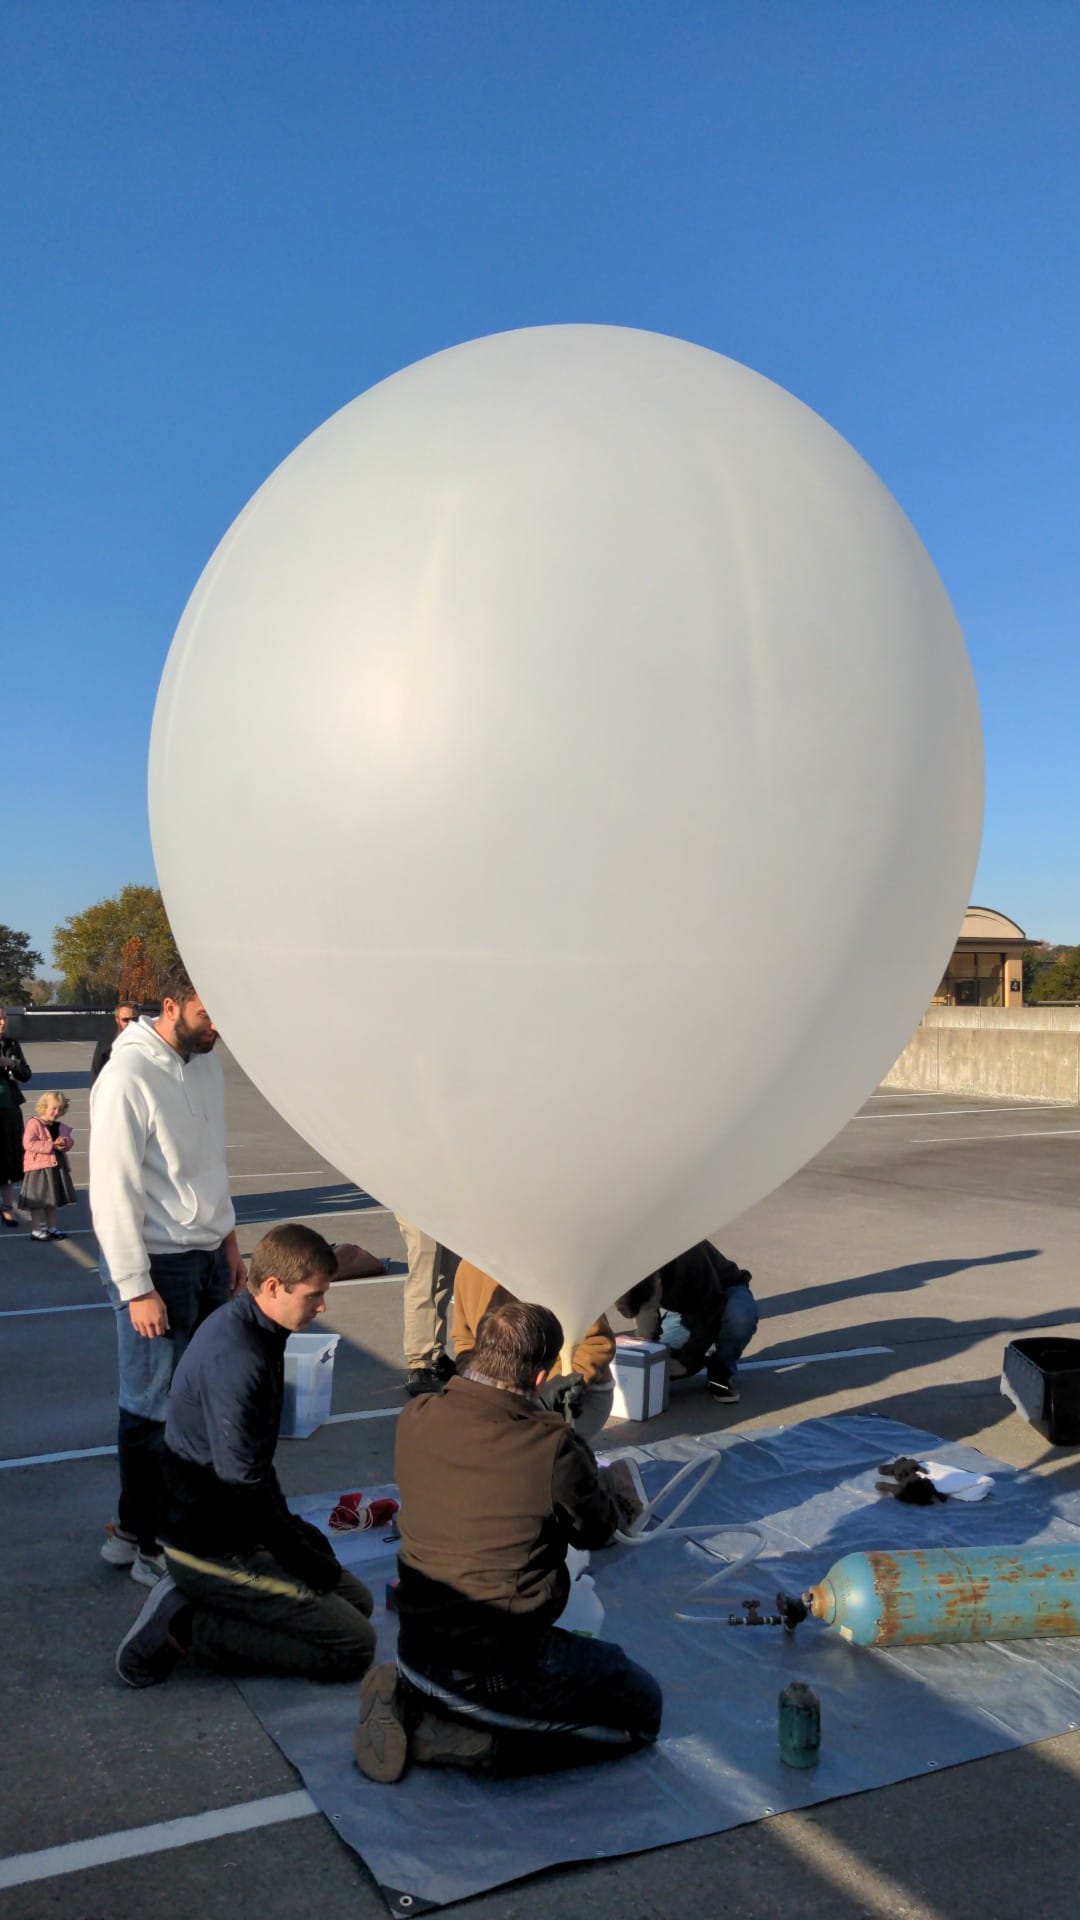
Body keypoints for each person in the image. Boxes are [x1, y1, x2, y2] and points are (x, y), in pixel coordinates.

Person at [354, 1297, 661, 1784]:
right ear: (540, 1377)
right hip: (498, 1669)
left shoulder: (416, 1415)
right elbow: (598, 1530)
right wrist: (568, 1441)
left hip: (415, 1643)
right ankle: (461, 1740)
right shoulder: (550, 1447)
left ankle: (416, 1693)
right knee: (642, 1712)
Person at [115, 1223, 377, 1689]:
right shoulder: (238, 1359)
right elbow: (245, 1485)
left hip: (232, 1526)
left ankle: (212, 1602)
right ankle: (188, 1626)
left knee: (358, 1604)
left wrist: (296, 1535)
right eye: (314, 1296)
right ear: (274, 1286)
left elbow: (252, 1470)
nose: (323, 1307)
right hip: (209, 1549)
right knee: (353, 1647)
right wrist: (296, 1553)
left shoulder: (256, 1327)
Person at [89, 961, 246, 1587]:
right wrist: (135, 1287)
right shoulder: (127, 1075)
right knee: (153, 1408)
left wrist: (230, 1245)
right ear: (172, 1005)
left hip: (207, 1256)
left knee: (194, 1403)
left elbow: (213, 1163)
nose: (220, 1029)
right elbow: (112, 1191)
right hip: (157, 1264)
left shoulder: (206, 1064)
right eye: (211, 1015)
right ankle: (154, 1545)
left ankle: (132, 1531)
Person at [453, 1259, 615, 1443]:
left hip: (575, 1393)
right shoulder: (470, 1266)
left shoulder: (558, 1268)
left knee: (527, 1452)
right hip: (499, 1396)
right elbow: (464, 1341)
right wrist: (478, 1385)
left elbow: (596, 1343)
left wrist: (555, 1388)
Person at [615, 1241, 758, 1403]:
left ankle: (720, 1374)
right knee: (664, 1364)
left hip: (723, 1291)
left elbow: (712, 1308)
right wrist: (645, 1356)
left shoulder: (688, 1255)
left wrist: (687, 1359)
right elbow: (646, 1323)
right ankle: (696, 1359)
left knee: (739, 1319)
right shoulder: (637, 1271)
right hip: (685, 1307)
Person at [396, 1216, 457, 1396]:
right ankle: (419, 1363)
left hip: (446, 1200)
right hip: (416, 1202)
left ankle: (436, 1353)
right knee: (424, 1273)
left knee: (447, 1274)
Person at [21, 1091, 76, 1241]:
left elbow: (69, 1141)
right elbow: (28, 1143)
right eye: (53, 1108)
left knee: (52, 1201)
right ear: (44, 1107)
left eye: (60, 1109)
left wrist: (66, 1142)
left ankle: (52, 1228)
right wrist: (52, 1145)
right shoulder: (34, 1123)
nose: (56, 1112)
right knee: (37, 1201)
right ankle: (36, 1229)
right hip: (38, 1168)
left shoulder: (60, 1126)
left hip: (56, 1166)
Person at [0, 1007, 32, 1228]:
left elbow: (26, 1075)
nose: (2, 1023)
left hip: (8, 1107)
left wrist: (11, 1063)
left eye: (3, 1018)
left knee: (8, 1159)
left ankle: (7, 1209)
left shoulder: (11, 1045)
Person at [89, 1003, 139, 1087]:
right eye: (125, 1020)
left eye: (134, 1019)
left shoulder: (146, 1043)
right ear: (117, 1019)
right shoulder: (106, 1044)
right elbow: (96, 1073)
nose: (131, 1023)